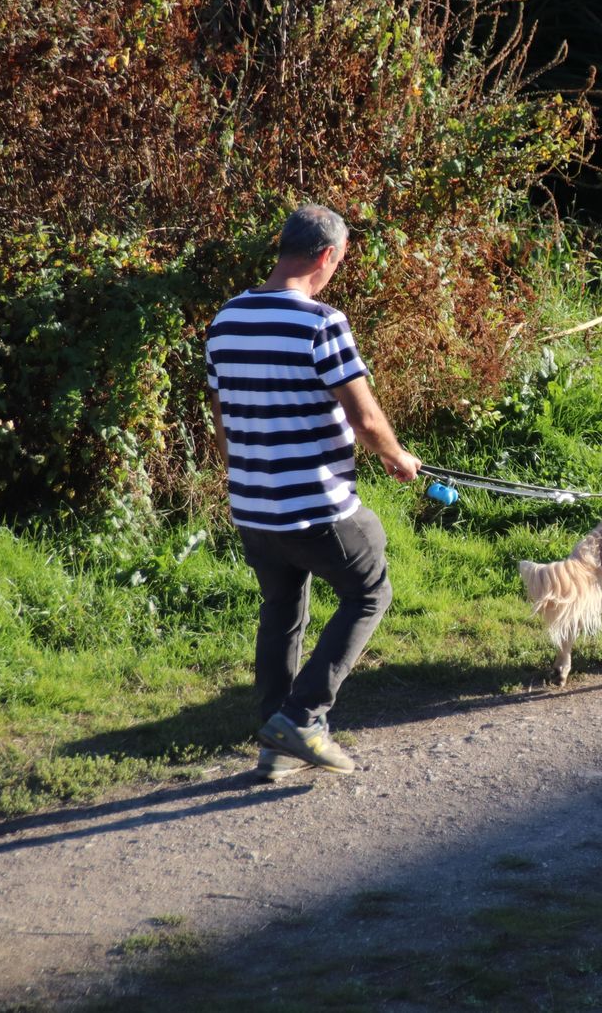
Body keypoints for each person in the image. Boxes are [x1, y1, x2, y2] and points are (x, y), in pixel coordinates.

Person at [205, 204, 421, 781]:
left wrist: (251, 475)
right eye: (339, 261)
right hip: (317, 508)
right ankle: (302, 717)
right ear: (326, 256)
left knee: (282, 609)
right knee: (369, 591)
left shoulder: (226, 319)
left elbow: (222, 421)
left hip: (253, 507)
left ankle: (274, 746)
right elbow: (365, 419)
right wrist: (398, 458)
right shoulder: (322, 322)